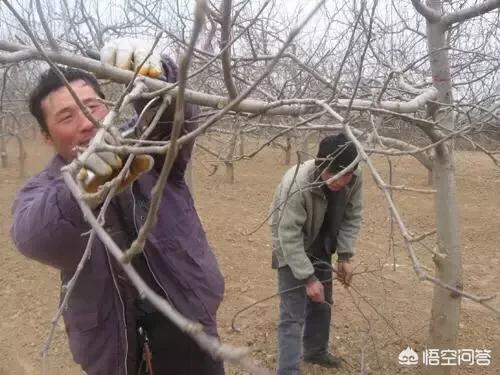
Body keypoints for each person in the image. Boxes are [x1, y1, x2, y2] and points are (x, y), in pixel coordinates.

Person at [10, 39, 225, 375]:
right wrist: (81, 190)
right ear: (46, 137)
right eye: (66, 116)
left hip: (191, 327)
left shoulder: (144, 144)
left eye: (93, 106)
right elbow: (33, 236)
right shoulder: (46, 188)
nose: (86, 122)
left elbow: (171, 118)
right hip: (115, 353)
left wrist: (159, 76)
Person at [270, 133, 363, 374]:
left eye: (344, 176)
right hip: (290, 245)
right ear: (321, 165)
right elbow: (287, 235)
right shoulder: (298, 183)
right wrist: (308, 278)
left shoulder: (354, 179)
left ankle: (316, 351)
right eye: (331, 173)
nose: (337, 181)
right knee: (292, 315)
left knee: (323, 303)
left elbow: (352, 216)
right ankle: (288, 370)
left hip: (322, 242)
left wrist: (344, 255)